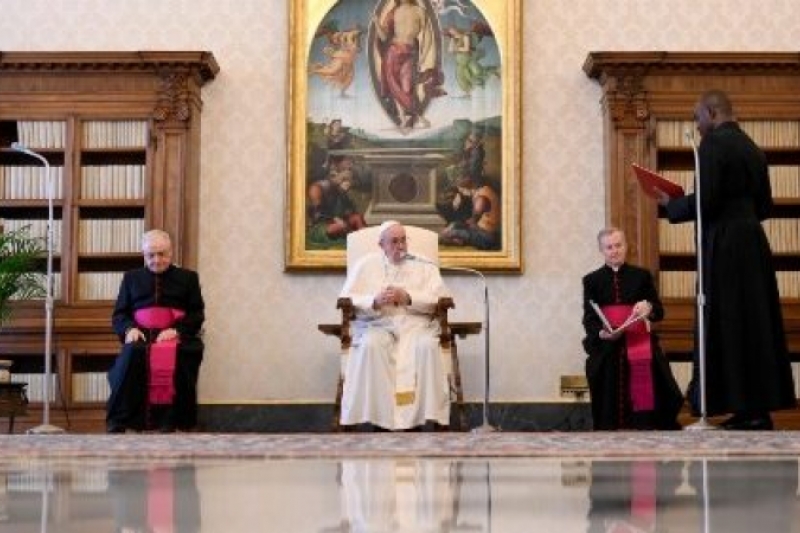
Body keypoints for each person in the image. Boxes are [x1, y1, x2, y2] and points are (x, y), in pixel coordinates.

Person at [658, 89, 796, 430]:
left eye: (697, 117)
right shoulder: (753, 147)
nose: (697, 124)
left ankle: (740, 407)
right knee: (756, 322)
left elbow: (706, 201)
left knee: (728, 319)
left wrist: (670, 204)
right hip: (753, 243)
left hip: (725, 245)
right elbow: (766, 206)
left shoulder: (713, 145)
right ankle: (755, 410)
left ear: (711, 112)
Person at [339, 220, 451, 431]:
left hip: (416, 326)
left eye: (403, 241)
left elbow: (440, 298)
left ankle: (425, 417)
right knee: (372, 345)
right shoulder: (366, 264)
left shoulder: (424, 264)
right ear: (381, 245)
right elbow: (346, 298)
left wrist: (408, 297)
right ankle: (380, 420)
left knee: (426, 346)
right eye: (394, 241)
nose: (400, 246)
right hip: (378, 325)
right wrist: (374, 300)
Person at [582, 227, 683, 430]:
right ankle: (607, 426)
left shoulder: (642, 276)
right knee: (601, 368)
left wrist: (649, 307)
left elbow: (659, 311)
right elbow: (589, 317)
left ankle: (645, 424)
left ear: (626, 246)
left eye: (618, 245)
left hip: (638, 341)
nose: (615, 250)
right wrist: (602, 332)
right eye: (609, 247)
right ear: (601, 250)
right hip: (607, 344)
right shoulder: (591, 280)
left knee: (658, 374)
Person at [107, 229, 205, 433]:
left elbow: (197, 314)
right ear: (144, 255)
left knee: (176, 356)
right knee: (133, 355)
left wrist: (176, 330)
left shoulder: (189, 278)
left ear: (171, 253)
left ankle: (169, 421)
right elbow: (119, 314)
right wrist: (129, 329)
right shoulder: (131, 278)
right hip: (141, 335)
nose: (156, 260)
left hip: (175, 336)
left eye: (161, 254)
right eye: (150, 255)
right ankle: (120, 420)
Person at [372, 0, 445, 132]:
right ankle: (403, 118)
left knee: (407, 87)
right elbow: (383, 37)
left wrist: (423, 57)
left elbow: (428, 36)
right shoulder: (393, 12)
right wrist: (377, 23)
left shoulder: (420, 11)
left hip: (410, 52)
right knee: (394, 84)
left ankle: (418, 117)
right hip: (392, 51)